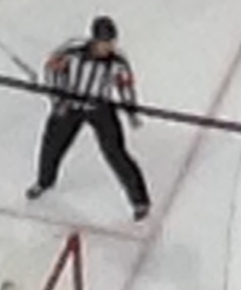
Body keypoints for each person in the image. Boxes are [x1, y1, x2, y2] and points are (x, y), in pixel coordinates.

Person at [26, 14, 150, 219]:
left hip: (100, 107)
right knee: (52, 145)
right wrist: (59, 99)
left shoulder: (117, 61)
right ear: (94, 40)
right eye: (104, 42)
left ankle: (140, 201)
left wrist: (131, 111)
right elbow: (52, 68)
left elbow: (125, 84)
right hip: (70, 105)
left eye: (111, 42)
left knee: (116, 153)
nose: (108, 47)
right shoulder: (72, 50)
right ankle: (44, 182)